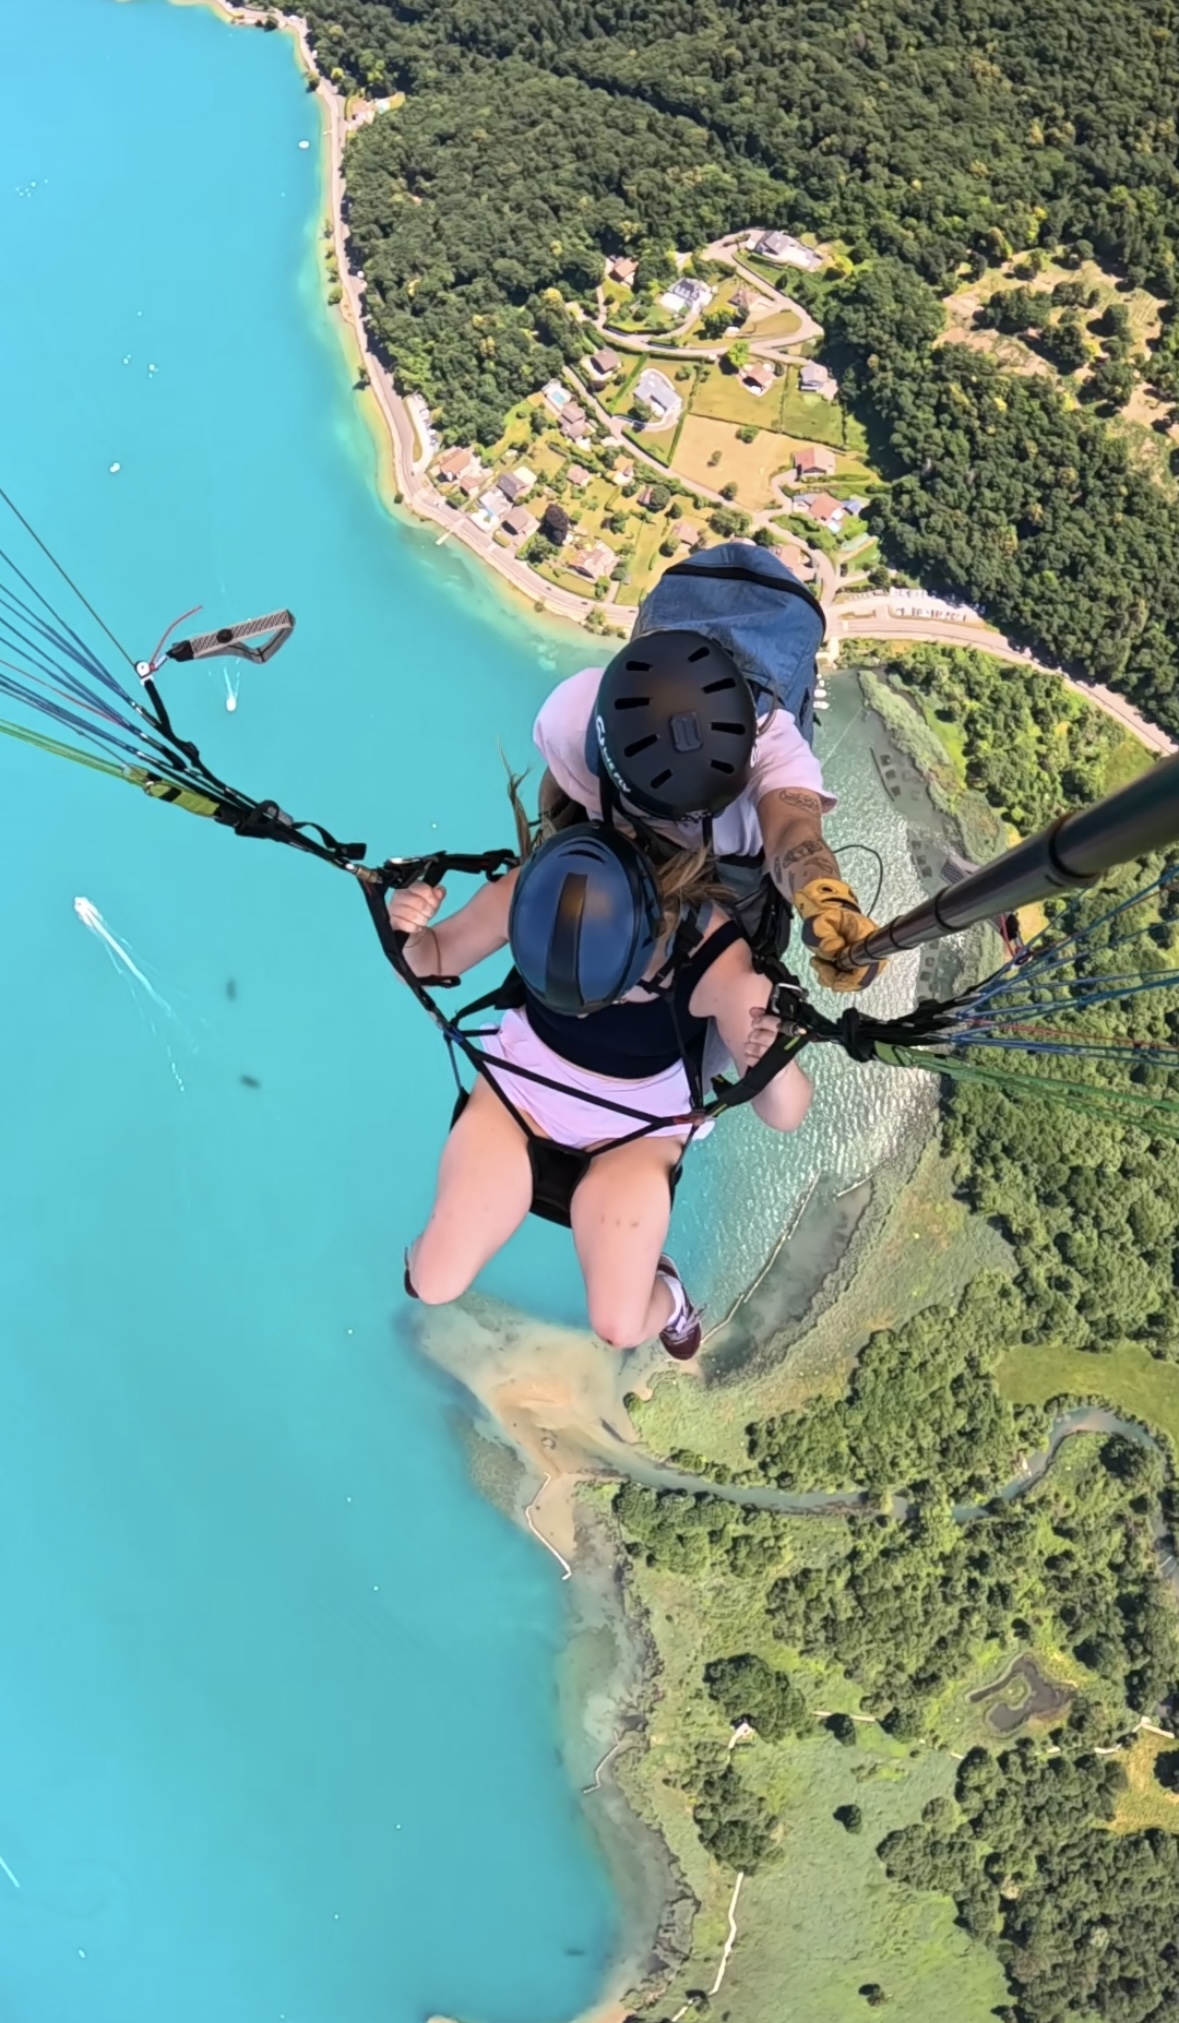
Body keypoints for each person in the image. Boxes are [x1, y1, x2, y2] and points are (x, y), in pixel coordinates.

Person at [389, 824, 812, 1359]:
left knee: (620, 1323)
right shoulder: (535, 891)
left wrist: (769, 1061)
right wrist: (410, 934)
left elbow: (785, 1112)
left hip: (635, 1126)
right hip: (521, 1087)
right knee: (433, 1281)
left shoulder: (712, 958)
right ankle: (439, 1257)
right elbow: (433, 962)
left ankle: (670, 1297)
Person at [534, 541, 887, 992]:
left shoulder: (772, 741)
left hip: (687, 882)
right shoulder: (576, 713)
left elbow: (793, 831)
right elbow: (559, 785)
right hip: (682, 878)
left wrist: (825, 898)